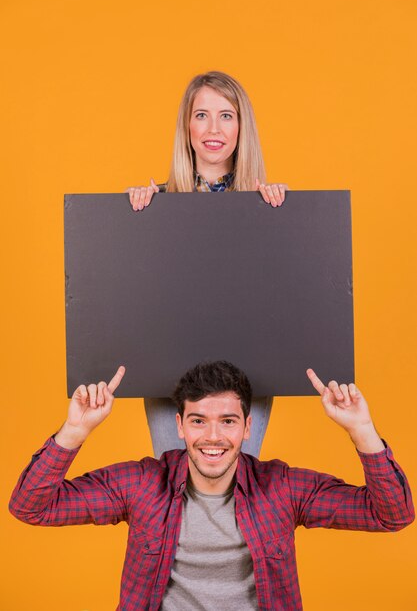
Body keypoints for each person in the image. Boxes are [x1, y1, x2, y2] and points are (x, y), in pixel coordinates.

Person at [10, 362, 414, 611]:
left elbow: (392, 515)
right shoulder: (142, 484)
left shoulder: (282, 487)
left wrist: (362, 431)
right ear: (180, 426)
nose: (213, 436)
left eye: (228, 421)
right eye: (199, 420)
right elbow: (31, 507)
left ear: (247, 427)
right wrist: (75, 431)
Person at [125, 71, 289, 458]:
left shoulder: (268, 209)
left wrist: (280, 220)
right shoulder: (153, 207)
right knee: (175, 486)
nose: (213, 128)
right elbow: (136, 296)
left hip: (247, 373)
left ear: (241, 127)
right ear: (187, 126)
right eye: (201, 115)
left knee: (237, 487)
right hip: (170, 374)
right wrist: (136, 223)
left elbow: (284, 300)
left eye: (226, 115)